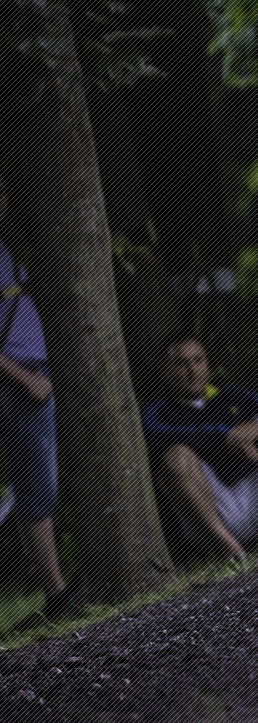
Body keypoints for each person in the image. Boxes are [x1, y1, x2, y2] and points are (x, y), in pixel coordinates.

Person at [142, 333, 258, 560]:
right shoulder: (156, 412)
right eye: (182, 363)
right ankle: (232, 552)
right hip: (216, 512)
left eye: (198, 360)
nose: (192, 370)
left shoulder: (232, 394)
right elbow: (159, 437)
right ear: (165, 371)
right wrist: (227, 437)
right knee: (175, 457)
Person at [0, 173, 74, 625]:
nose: (1, 199)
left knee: (41, 480)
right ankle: (57, 595)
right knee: (35, 486)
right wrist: (24, 377)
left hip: (36, 371)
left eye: (2, 190)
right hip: (21, 380)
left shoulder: (5, 246)